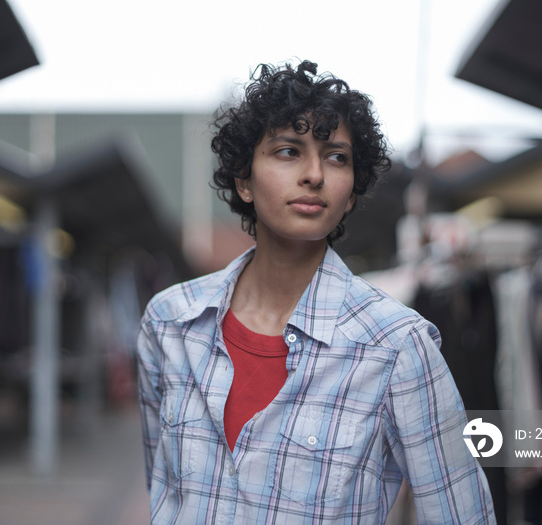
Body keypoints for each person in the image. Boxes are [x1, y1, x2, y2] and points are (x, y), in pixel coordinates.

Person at [137, 59, 496, 524]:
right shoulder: (169, 323)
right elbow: (162, 492)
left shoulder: (397, 346)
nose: (314, 173)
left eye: (336, 156)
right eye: (288, 151)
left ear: (350, 192)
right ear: (244, 180)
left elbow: (460, 513)